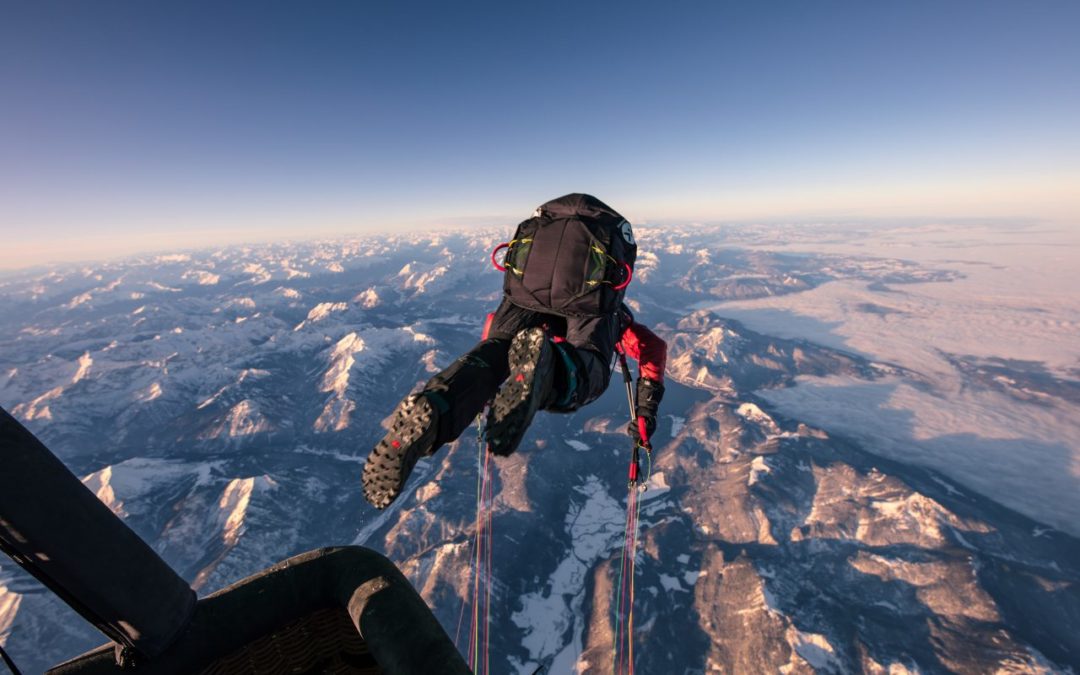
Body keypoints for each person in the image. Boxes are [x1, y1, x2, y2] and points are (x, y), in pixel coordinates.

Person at [362, 194, 667, 509]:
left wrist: (484, 389)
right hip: (580, 315)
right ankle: (553, 371)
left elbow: (494, 330)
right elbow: (652, 349)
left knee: (494, 353)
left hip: (523, 299)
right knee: (591, 373)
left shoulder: (532, 278)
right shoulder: (610, 313)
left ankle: (438, 404)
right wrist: (646, 412)